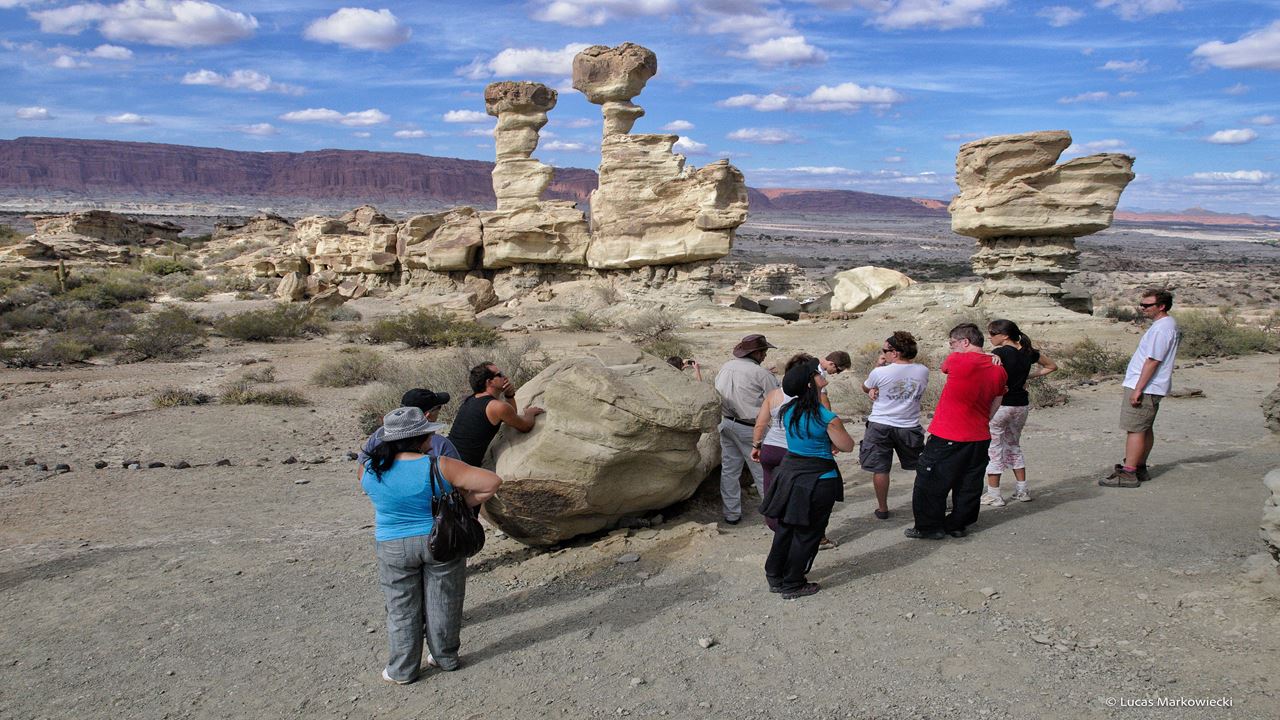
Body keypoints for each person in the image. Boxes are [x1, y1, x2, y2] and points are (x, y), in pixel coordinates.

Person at [362, 406, 502, 685]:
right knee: (445, 600)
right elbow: (491, 482)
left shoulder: (370, 468)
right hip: (440, 539)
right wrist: (460, 504)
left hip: (391, 543)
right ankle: (445, 657)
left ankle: (402, 670)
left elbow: (368, 489)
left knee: (401, 607)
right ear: (421, 438)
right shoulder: (439, 465)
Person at [761, 359, 855, 599]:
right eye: (815, 374)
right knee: (809, 532)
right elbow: (847, 446)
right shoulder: (826, 417)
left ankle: (775, 575)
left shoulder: (787, 410)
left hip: (789, 473)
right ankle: (793, 582)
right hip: (818, 477)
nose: (820, 374)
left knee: (786, 527)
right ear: (809, 385)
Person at [905, 323, 1007, 540]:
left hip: (949, 433)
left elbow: (946, 368)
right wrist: (989, 355)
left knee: (930, 480)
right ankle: (958, 524)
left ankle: (928, 527)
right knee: (968, 483)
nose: (951, 349)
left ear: (965, 342)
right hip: (979, 435)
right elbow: (998, 397)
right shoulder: (999, 369)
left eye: (952, 344)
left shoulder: (956, 359)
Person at [1101, 289, 1180, 488]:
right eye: (1141, 305)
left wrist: (1138, 389)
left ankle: (1129, 472)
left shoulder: (1163, 328)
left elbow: (1153, 361)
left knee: (1134, 429)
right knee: (1144, 428)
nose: (1142, 308)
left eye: (1147, 305)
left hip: (1146, 386)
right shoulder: (1164, 326)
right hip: (1150, 385)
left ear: (1161, 306)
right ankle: (1139, 466)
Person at [982, 319, 1057, 506]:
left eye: (992, 334)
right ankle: (1022, 490)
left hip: (1001, 405)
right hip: (1021, 405)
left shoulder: (999, 353)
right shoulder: (1027, 352)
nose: (989, 337)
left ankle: (994, 494)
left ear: (1004, 335)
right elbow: (1051, 366)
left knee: (995, 447)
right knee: (1014, 445)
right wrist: (1027, 377)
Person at [859, 331, 929, 520]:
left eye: (885, 351)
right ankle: (926, 503)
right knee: (919, 466)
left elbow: (866, 387)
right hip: (908, 424)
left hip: (881, 423)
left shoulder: (880, 372)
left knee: (880, 468)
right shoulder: (922, 370)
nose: (883, 354)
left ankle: (882, 508)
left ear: (894, 352)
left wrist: (879, 367)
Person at [714, 334, 781, 525]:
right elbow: (775, 401)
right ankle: (773, 513)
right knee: (763, 471)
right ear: (757, 353)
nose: (765, 356)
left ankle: (731, 513)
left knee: (729, 470)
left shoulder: (726, 366)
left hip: (726, 422)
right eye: (764, 352)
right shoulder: (762, 374)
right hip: (751, 427)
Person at [751, 353, 817, 533]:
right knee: (799, 492)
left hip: (771, 448)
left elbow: (760, 424)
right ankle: (797, 529)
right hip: (796, 450)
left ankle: (775, 526)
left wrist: (756, 445)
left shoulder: (774, 395)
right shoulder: (813, 396)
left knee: (771, 490)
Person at [447, 362, 545, 468]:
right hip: (461, 466)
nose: (504, 377)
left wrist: (509, 395)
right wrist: (530, 413)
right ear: (490, 382)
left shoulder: (471, 399)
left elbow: (512, 416)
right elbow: (525, 426)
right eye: (500, 374)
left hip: (447, 454)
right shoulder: (496, 407)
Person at [356, 388, 461, 482]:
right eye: (438, 408)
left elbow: (361, 474)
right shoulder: (440, 443)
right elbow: (459, 480)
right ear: (428, 415)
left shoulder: (380, 434)